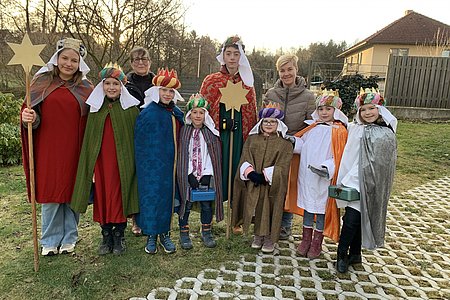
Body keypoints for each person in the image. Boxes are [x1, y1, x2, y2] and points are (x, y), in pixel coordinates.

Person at [20, 38, 93, 256]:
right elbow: (31, 114)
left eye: (74, 60)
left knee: (72, 191)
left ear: (80, 64)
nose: (68, 64)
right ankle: (50, 240)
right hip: (48, 148)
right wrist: (28, 117)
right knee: (51, 192)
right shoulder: (40, 82)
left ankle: (70, 237)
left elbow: (93, 119)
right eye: (65, 58)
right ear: (57, 58)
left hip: (75, 148)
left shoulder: (86, 88)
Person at [71, 64, 140, 255]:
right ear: (102, 85)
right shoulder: (95, 110)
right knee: (103, 196)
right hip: (100, 164)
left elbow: (136, 138)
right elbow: (89, 139)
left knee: (119, 197)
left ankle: (119, 235)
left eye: (115, 84)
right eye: (107, 83)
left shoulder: (131, 110)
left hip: (122, 163)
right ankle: (105, 235)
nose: (111, 87)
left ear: (122, 87)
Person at [336, 88, 397, 273]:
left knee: (362, 217)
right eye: (363, 110)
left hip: (375, 181)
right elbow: (348, 154)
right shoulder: (355, 129)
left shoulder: (387, 131)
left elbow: (387, 159)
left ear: (380, 109)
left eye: (372, 108)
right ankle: (341, 255)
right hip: (355, 179)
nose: (368, 112)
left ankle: (355, 253)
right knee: (352, 219)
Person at [200, 36, 257, 217]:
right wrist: (222, 123)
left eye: (236, 54)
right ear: (223, 56)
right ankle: (209, 216)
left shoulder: (248, 82)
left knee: (237, 171)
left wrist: (244, 129)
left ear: (242, 57)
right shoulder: (212, 80)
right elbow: (203, 108)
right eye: (229, 53)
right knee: (217, 170)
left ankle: (236, 218)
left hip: (238, 134)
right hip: (219, 133)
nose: (232, 58)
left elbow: (251, 112)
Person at [263, 54, 315, 240]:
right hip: (273, 146)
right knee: (272, 184)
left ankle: (285, 225)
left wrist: (296, 140)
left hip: (294, 147)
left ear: (296, 69)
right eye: (282, 70)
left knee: (288, 187)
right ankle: (267, 222)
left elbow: (312, 125)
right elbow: (263, 120)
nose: (286, 74)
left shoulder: (308, 97)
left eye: (289, 69)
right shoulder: (271, 94)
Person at [291, 90, 348, 259]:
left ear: (335, 111)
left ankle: (317, 243)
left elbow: (339, 155)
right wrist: (292, 141)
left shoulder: (339, 131)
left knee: (321, 209)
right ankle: (305, 239)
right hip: (307, 177)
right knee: (309, 208)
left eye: (328, 109)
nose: (324, 113)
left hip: (324, 178)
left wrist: (327, 167)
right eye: (321, 109)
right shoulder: (311, 128)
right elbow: (302, 145)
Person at [134, 68, 184, 254]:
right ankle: (151, 235)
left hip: (170, 167)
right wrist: (146, 165)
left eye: (171, 91)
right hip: (151, 167)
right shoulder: (148, 113)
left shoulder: (176, 113)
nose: (167, 94)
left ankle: (165, 234)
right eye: (164, 90)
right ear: (157, 91)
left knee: (167, 200)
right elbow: (140, 142)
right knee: (151, 199)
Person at [232, 104, 293, 253]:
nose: (269, 124)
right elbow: (245, 157)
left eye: (273, 122)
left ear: (278, 124)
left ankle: (270, 238)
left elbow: (284, 165)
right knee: (257, 208)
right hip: (254, 181)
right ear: (261, 123)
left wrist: (267, 176)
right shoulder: (252, 139)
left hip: (273, 184)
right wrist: (251, 173)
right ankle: (258, 235)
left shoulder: (285, 143)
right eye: (266, 121)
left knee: (271, 208)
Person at [177, 94, 223, 250]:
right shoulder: (184, 132)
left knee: (206, 205)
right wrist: (190, 174)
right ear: (190, 114)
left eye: (201, 113)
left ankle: (207, 231)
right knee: (187, 203)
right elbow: (184, 154)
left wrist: (206, 174)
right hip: (188, 175)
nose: (198, 116)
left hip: (205, 175)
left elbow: (212, 156)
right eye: (195, 112)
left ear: (206, 115)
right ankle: (184, 232)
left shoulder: (210, 133)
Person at [125, 46, 155, 236]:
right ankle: (135, 218)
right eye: (136, 60)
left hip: (153, 135)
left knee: (150, 177)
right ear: (131, 63)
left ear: (150, 62)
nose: (141, 63)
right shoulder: (125, 83)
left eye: (144, 59)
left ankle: (149, 216)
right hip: (132, 132)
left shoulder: (157, 83)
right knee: (134, 176)